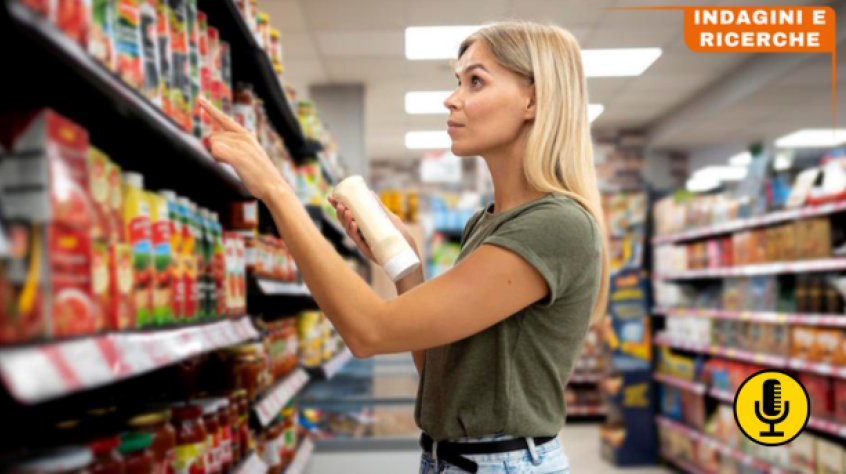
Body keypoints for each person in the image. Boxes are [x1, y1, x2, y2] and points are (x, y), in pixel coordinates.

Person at [199, 20, 608, 474]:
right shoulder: (487, 222)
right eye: (457, 82)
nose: (452, 98)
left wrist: (276, 192)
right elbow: (437, 370)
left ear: (533, 99)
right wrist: (402, 263)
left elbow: (368, 332)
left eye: (476, 81)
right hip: (453, 459)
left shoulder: (556, 224)